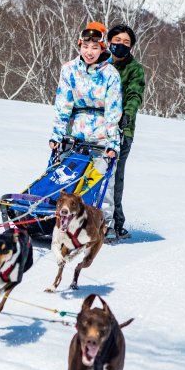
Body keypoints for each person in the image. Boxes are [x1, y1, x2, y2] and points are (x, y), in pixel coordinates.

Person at [49, 21, 123, 230]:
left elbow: (113, 110)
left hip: (101, 134)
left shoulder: (111, 74)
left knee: (101, 183)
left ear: (102, 48)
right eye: (85, 47)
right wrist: (57, 135)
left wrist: (112, 142)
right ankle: (59, 219)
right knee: (64, 179)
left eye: (95, 47)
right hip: (75, 133)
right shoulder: (69, 70)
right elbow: (63, 104)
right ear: (79, 45)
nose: (89, 52)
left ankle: (103, 225)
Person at [106, 23, 144, 242]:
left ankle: (116, 223)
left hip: (122, 129)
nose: (121, 45)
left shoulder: (134, 68)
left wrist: (127, 114)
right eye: (117, 41)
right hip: (96, 127)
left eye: (126, 43)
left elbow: (134, 94)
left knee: (113, 175)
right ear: (109, 41)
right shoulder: (101, 62)